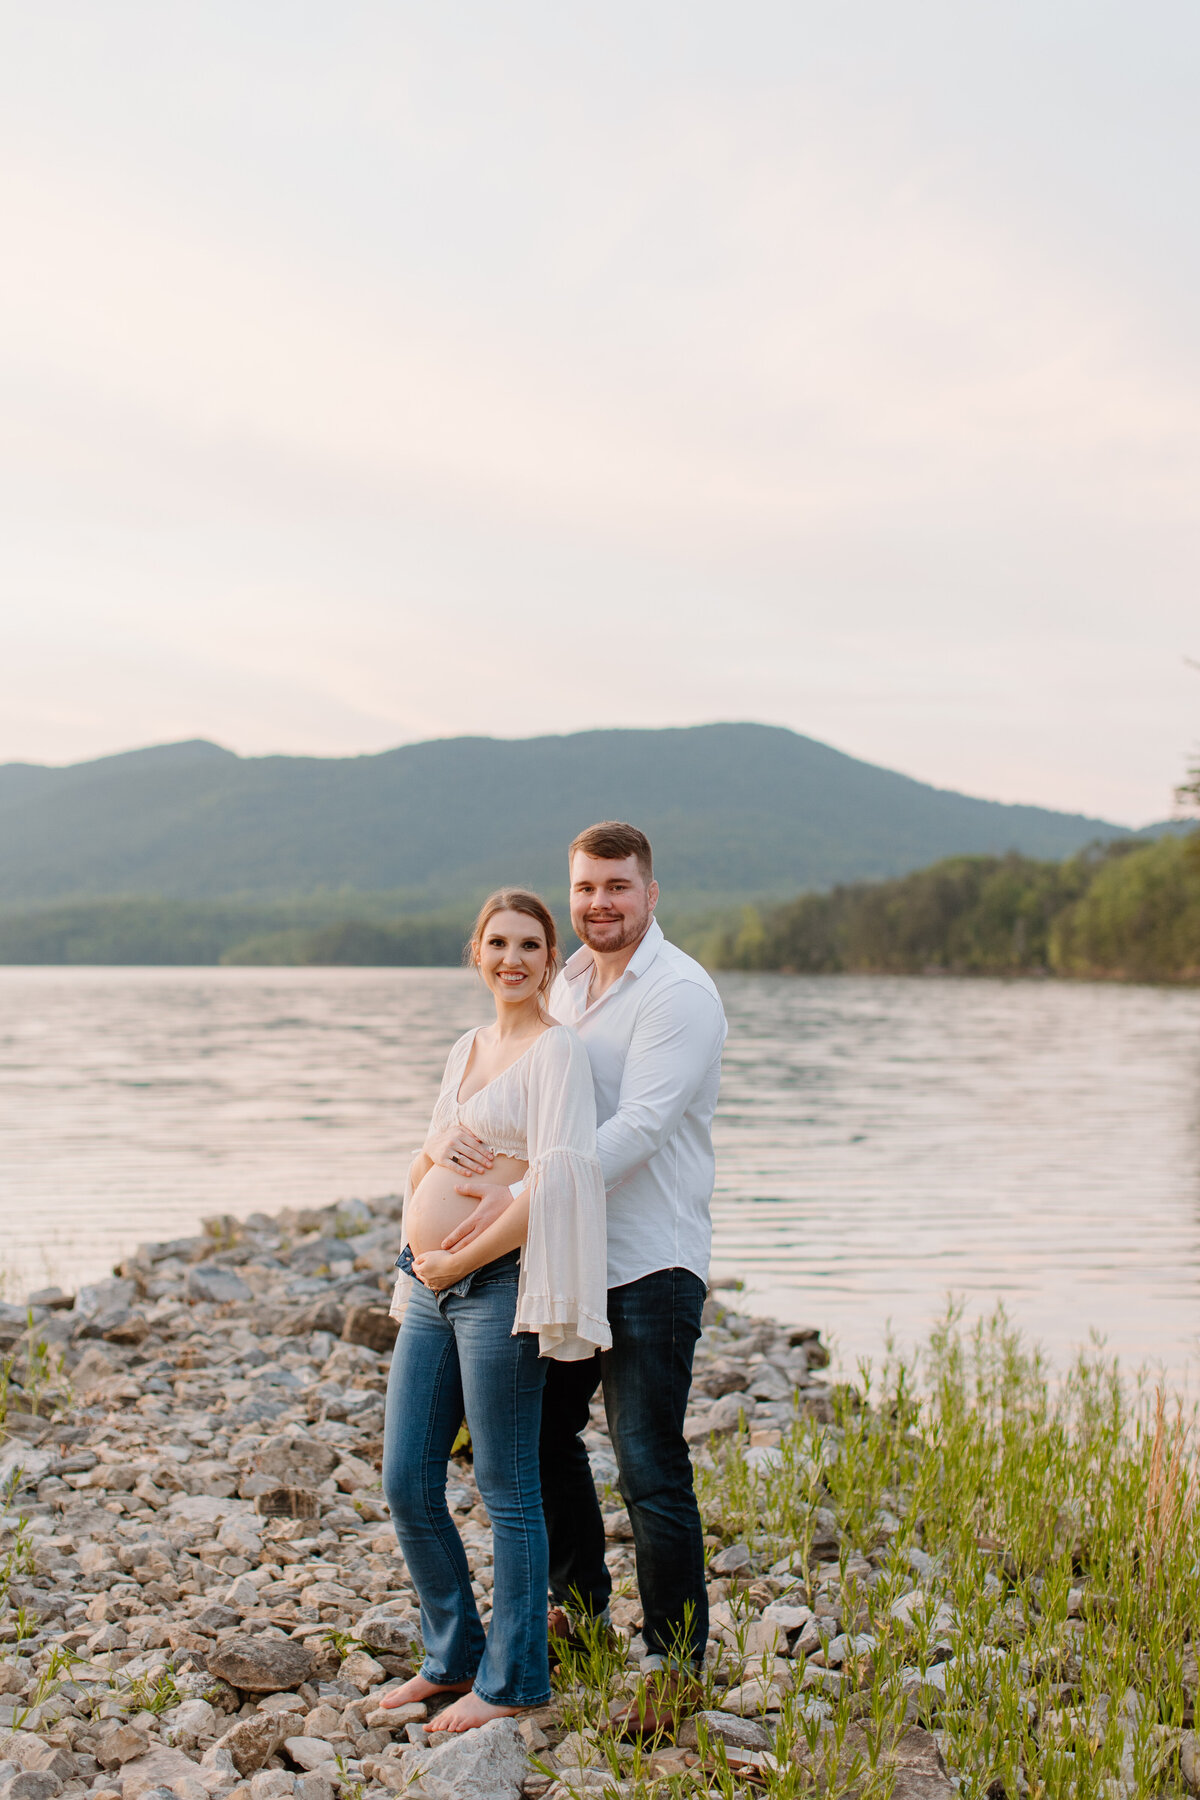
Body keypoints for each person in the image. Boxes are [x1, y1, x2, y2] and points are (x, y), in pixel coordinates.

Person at [447, 823, 728, 1733]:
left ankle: (677, 1664)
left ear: (651, 893)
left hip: (650, 1262)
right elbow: (532, 1097)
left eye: (617, 886)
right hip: (564, 1259)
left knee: (648, 1465)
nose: (600, 903)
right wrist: (452, 1151)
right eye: (585, 888)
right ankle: (583, 1611)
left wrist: (522, 1198)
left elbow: (638, 1129)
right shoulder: (565, 983)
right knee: (537, 1439)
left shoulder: (679, 994)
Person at [380, 889, 609, 1733]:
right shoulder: (464, 1048)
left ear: (551, 961)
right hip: (431, 1285)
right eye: (498, 943)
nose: (513, 959)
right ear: (475, 951)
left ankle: (514, 1682)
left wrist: (459, 1257)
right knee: (406, 1479)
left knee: (507, 1487)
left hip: (496, 1284)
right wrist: (431, 1153)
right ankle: (453, 1658)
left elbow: (553, 1178)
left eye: (531, 945)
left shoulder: (558, 1054)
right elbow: (421, 1175)